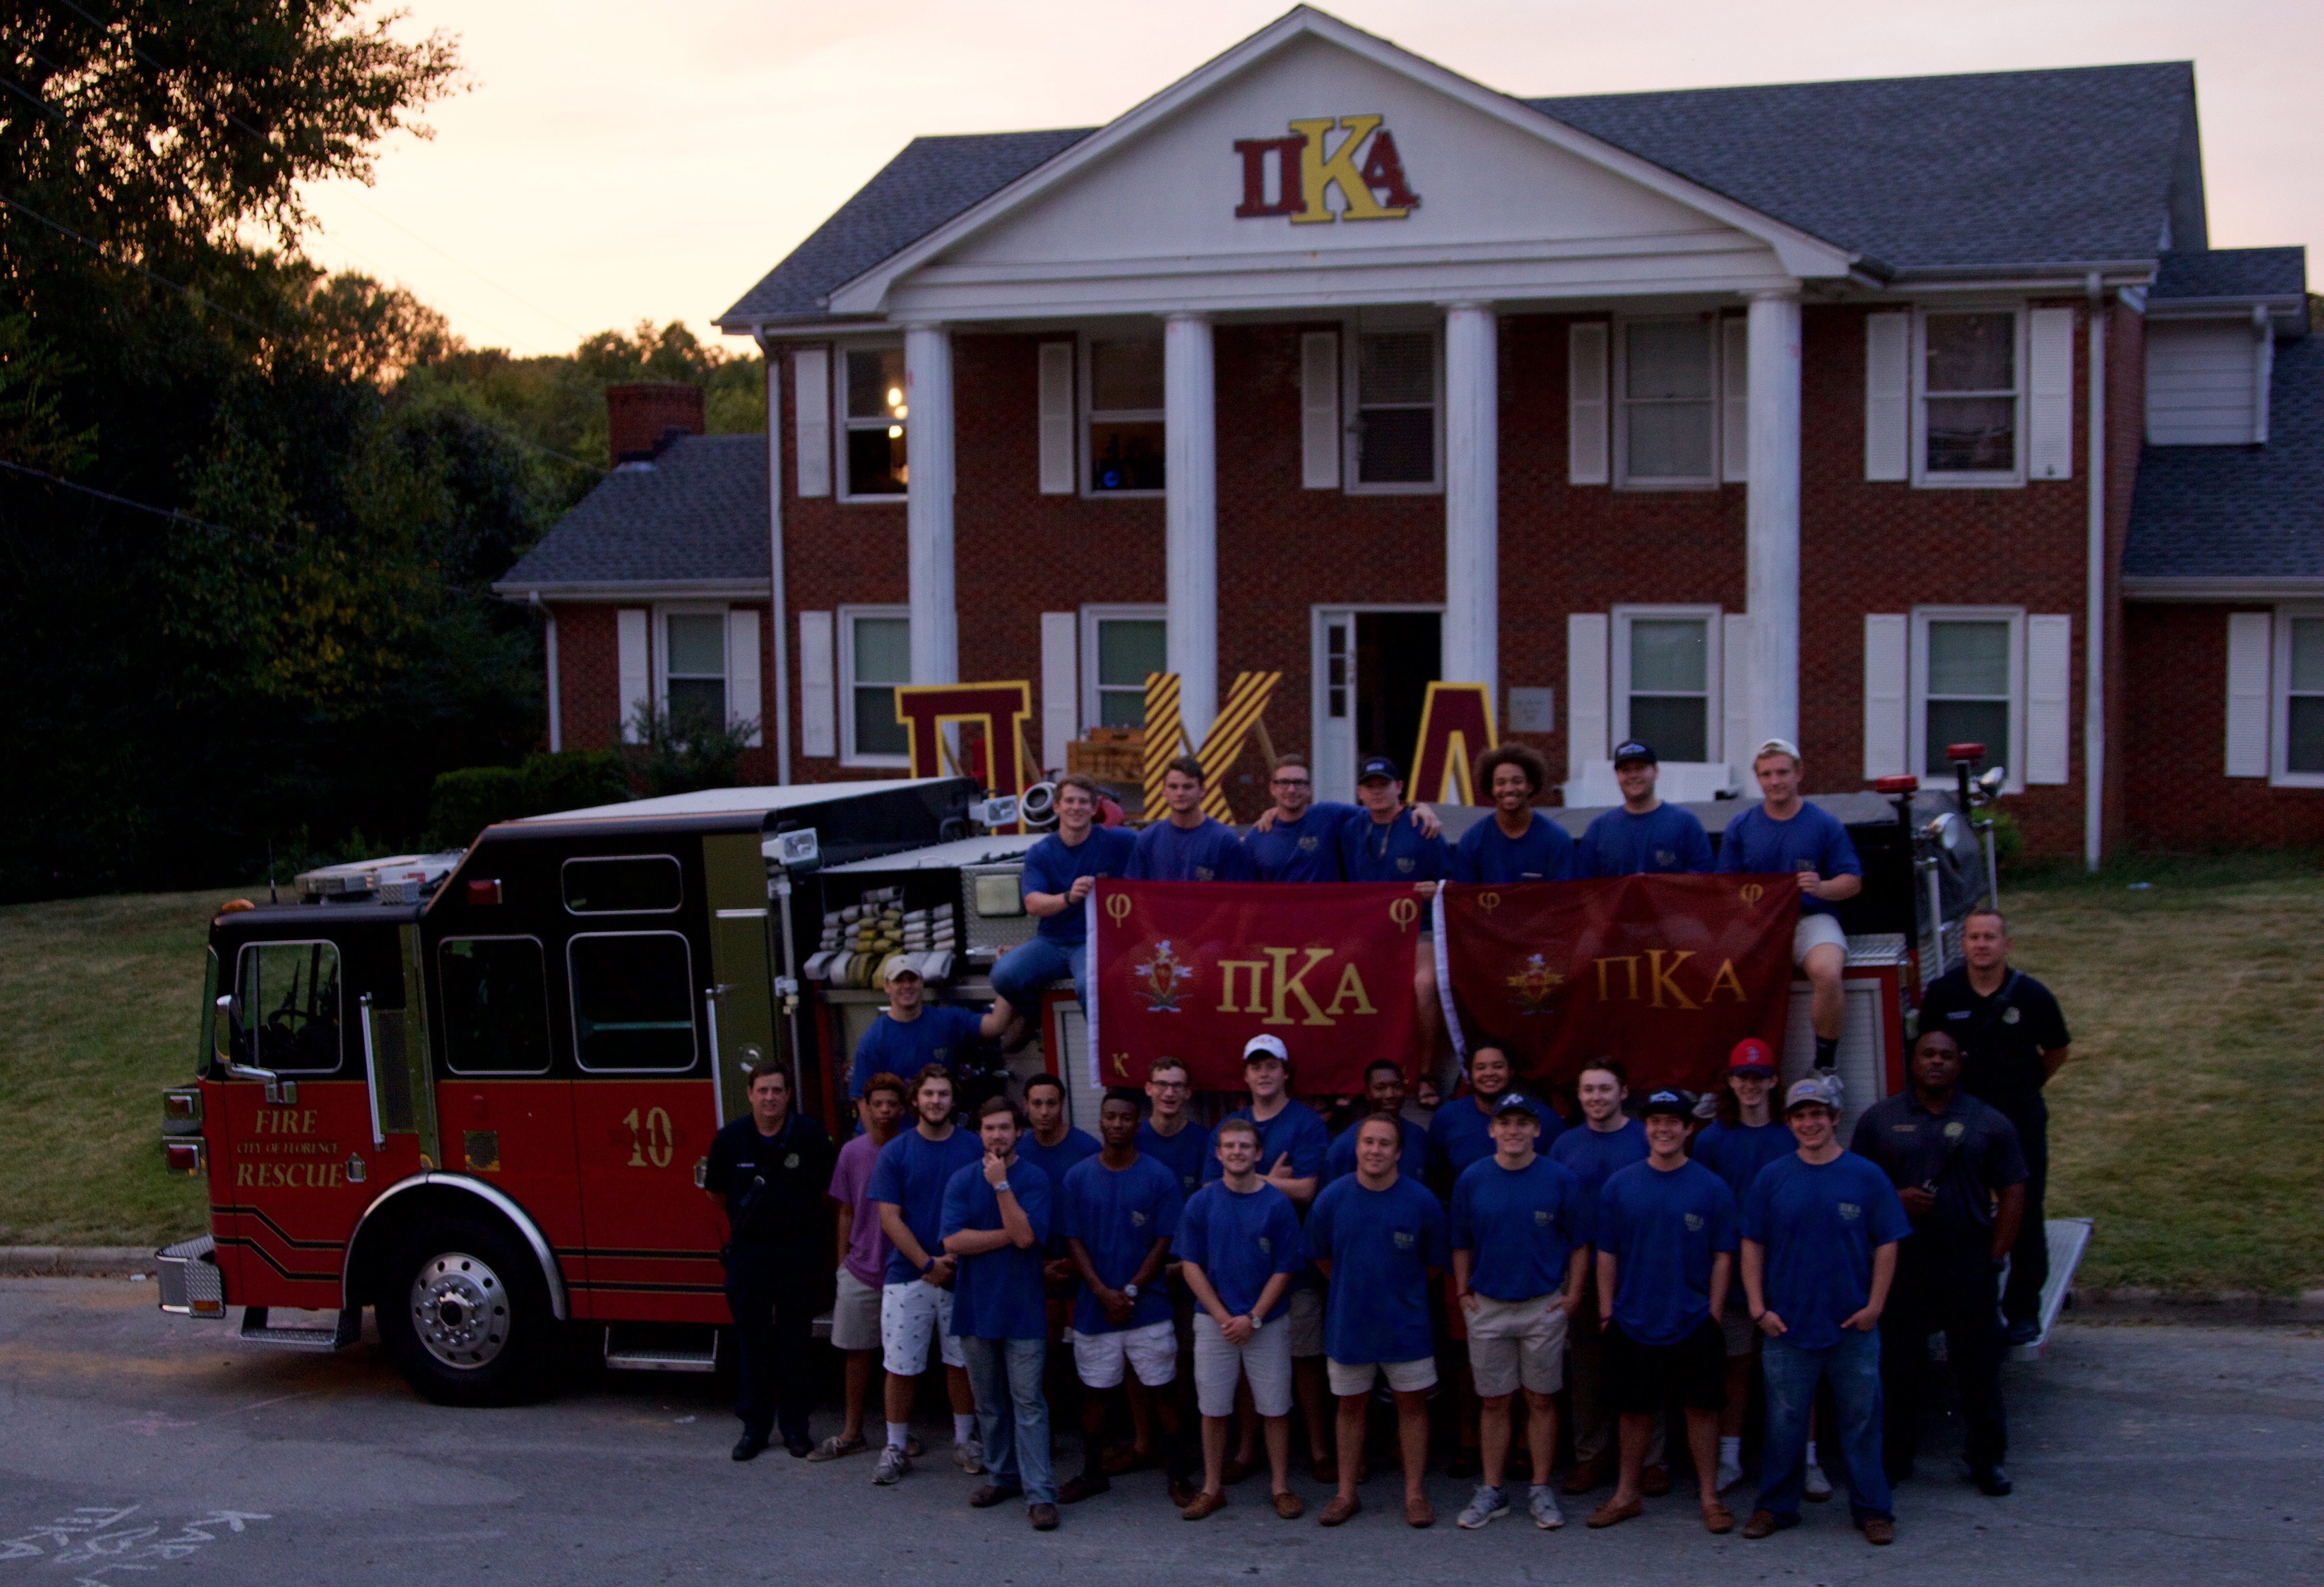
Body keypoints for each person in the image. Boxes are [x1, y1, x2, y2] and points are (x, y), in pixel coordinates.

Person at [1851, 1028, 2027, 1496]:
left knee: (1978, 1368)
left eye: (1946, 1055)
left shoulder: (1989, 1122)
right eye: (1927, 1054)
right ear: (1912, 1061)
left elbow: (2014, 1190)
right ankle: (1895, 1457)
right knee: (1899, 1366)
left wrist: (1995, 1256)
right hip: (1904, 1263)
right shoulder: (1879, 1121)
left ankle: (1987, 1459)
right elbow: (1854, 1189)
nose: (1936, 1062)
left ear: (1959, 1062)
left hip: (1968, 1260)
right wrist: (1895, 1199)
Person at [1740, 1076, 1911, 1546]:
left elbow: (1889, 1242)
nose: (1810, 1123)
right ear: (1790, 1122)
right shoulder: (1773, 1177)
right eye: (1800, 1115)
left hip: (1852, 1327)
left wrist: (1875, 1306)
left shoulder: (1867, 1176)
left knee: (1861, 1421)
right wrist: (1758, 1308)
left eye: (1818, 1114)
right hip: (1788, 1327)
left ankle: (1874, 1510)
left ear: (1836, 1118)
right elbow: (1751, 1243)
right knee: (1783, 1423)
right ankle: (1775, 1506)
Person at [1914, 906, 2072, 1345]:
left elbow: (2058, 1049)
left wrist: (2025, 1087)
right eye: (1973, 937)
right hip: (1958, 1120)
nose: (1981, 944)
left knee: (2022, 1210)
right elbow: (1929, 1050)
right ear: (1961, 944)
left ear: (2007, 945)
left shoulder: (2034, 996)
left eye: (1990, 937)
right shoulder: (1943, 994)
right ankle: (1952, 1308)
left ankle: (2022, 1310)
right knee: (1951, 1209)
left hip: (2018, 1120)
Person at [1589, 1089, 1741, 1534]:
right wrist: (1606, 1313)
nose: (1664, 1129)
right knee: (1633, 1411)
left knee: (1701, 1409)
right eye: (1655, 1121)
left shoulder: (1712, 1187)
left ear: (1688, 1128)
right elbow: (1607, 1253)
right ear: (1645, 1127)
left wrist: (1713, 1314)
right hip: (1632, 1319)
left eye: (1673, 1121)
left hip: (1693, 1319)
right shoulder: (1620, 1186)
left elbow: (1723, 1256)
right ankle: (1625, 1495)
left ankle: (1710, 1496)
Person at [1448, 1092, 1589, 1533]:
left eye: (1522, 1123)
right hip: (1488, 1305)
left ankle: (1540, 1486)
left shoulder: (1559, 1178)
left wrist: (1573, 1295)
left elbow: (1580, 1242)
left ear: (1536, 1129)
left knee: (1541, 1398)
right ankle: (1493, 1488)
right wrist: (1463, 1293)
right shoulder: (1473, 1178)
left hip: (1541, 1305)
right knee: (1494, 1401)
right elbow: (1460, 1241)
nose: (1513, 1130)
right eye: (1504, 1123)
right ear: (1491, 1130)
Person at [1306, 1113, 1451, 1529]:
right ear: (1357, 1147)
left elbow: (1434, 1264)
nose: (1375, 1150)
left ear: (1399, 1152)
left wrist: (1397, 1292)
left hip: (1407, 1327)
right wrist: (1355, 1286)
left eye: (1384, 1143)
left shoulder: (1422, 1201)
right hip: (1349, 1324)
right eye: (1368, 1142)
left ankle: (1415, 1494)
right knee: (1350, 1408)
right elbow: (1320, 1257)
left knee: (1412, 1407)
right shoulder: (1331, 1199)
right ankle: (1346, 1493)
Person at [1201, 1035, 1336, 1481]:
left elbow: (1307, 1188)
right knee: (1243, 1363)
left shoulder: (1307, 1123)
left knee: (1306, 1359)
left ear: (1285, 1071)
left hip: (1291, 1269)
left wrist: (1253, 1179)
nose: (1264, 1073)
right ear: (1245, 1074)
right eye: (1255, 1066)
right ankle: (1245, 1450)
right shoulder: (1231, 1125)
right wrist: (1271, 1178)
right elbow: (1207, 1190)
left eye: (1272, 1065)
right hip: (1236, 1272)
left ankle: (1318, 1449)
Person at [1058, 1091, 1189, 1506]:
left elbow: (1164, 1240)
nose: (1117, 1123)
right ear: (1100, 1121)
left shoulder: (1158, 1176)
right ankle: (1093, 1472)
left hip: (1146, 1307)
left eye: (1126, 1118)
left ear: (1139, 1123)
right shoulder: (1077, 1177)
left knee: (1164, 1391)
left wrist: (1130, 1289)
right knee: (1095, 1393)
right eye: (1110, 1116)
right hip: (1095, 1309)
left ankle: (1180, 1475)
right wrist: (1100, 1290)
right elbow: (1072, 1239)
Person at [1174, 1116, 1307, 1521]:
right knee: (1213, 1407)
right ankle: (1212, 1488)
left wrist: (1253, 1316)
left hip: (1266, 1321)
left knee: (1275, 1407)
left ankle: (1280, 1486)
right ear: (1218, 1153)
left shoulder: (1277, 1204)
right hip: (1214, 1322)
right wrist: (1222, 1315)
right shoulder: (1201, 1202)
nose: (1237, 1152)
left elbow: (1284, 1268)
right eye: (1229, 1146)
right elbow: (1189, 1263)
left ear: (1258, 1153)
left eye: (1245, 1146)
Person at [941, 1096, 1060, 1530]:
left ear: (1019, 1132)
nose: (997, 1135)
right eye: (990, 1128)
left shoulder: (1034, 1178)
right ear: (979, 1133)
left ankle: (1040, 1493)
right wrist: (1007, 1233)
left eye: (1005, 1128)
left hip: (1024, 1310)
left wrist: (1002, 1186)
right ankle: (1002, 1476)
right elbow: (953, 1241)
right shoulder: (960, 1181)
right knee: (989, 1404)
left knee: (1028, 1402)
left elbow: (1028, 1238)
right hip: (975, 1308)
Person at [1688, 1037, 1800, 1495]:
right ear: (1730, 1083)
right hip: (1731, 1278)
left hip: (1786, 1273)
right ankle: (1730, 1457)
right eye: (1741, 1078)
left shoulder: (1792, 1134)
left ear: (1773, 1080)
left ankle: (1804, 1459)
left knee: (1793, 1369)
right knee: (1735, 1367)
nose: (1750, 1086)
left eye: (1758, 1078)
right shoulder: (1714, 1139)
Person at [707, 1059, 835, 1461]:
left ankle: (796, 1428)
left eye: (777, 1090)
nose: (770, 1097)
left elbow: (828, 1189)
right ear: (749, 1094)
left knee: (796, 1341)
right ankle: (755, 1428)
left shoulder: (810, 1135)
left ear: (788, 1094)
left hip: (798, 1251)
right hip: (750, 1253)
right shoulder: (729, 1140)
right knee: (753, 1342)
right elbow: (717, 1193)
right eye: (762, 1090)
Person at [867, 1066, 986, 1485]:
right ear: (915, 1101)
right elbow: (889, 1217)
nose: (936, 1101)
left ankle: (965, 1440)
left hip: (960, 1272)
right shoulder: (896, 1152)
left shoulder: (974, 1147)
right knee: (900, 1364)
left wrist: (950, 1258)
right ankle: (895, 1446)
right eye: (929, 1094)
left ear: (954, 1100)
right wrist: (926, 1263)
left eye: (944, 1094)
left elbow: (982, 1206)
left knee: (962, 1361)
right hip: (908, 1275)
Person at [1715, 739, 1863, 1073]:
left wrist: (1822, 888)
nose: (1775, 781)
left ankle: (1825, 1066)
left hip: (1810, 918)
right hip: (1758, 923)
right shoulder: (1741, 826)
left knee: (1827, 972)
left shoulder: (1825, 824)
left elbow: (1853, 881)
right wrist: (1746, 903)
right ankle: (1725, 1072)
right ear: (1758, 779)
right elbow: (1723, 886)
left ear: (1799, 774)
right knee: (1717, 975)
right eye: (1766, 775)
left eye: (1782, 772)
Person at [1550, 1058, 1654, 1496]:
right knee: (1588, 1371)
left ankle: (1652, 1461)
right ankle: (1590, 1456)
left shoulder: (1646, 1138)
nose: (1596, 1098)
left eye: (1605, 1089)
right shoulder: (1564, 1145)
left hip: (1641, 1271)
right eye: (1588, 1090)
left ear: (1624, 1092)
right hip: (1585, 1273)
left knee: (1648, 1366)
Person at [989, 773, 1137, 1043]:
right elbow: (1033, 903)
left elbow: (1156, 848)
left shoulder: (1120, 842)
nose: (1076, 808)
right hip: (1052, 942)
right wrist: (1068, 897)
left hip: (1095, 942)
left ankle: (1106, 1052)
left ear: (1094, 809)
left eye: (1083, 802)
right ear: (1056, 807)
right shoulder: (1040, 852)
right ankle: (1039, 1021)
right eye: (1069, 801)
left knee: (1088, 987)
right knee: (1003, 975)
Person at [811, 1071, 907, 1463]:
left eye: (891, 1104)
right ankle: (853, 1431)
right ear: (863, 1107)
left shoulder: (910, 1148)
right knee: (857, 1353)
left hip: (903, 1270)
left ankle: (897, 1436)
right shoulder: (851, 1152)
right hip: (860, 1269)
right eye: (877, 1104)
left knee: (901, 1359)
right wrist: (841, 1268)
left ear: (903, 1108)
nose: (884, 1111)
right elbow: (845, 1212)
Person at [1245, 752, 1443, 883]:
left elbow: (1380, 811)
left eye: (1299, 783)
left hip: (1331, 929)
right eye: (1284, 783)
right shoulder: (1258, 836)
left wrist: (1418, 806)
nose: (1291, 789)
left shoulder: (1328, 816)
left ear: (1310, 789)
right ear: (1272, 788)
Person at [849, 957, 1006, 1100]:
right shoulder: (874, 1038)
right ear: (887, 986)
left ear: (922, 982)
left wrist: (1006, 970)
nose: (907, 986)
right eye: (899, 981)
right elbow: (862, 1098)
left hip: (939, 1125)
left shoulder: (947, 1020)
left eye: (912, 979)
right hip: (898, 1130)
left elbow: (995, 1025)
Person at [1576, 741, 1714, 877]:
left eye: (1640, 768)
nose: (1633, 776)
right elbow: (1585, 888)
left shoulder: (1685, 824)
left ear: (1656, 772)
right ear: (1617, 777)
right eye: (1626, 770)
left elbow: (1703, 882)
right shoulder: (1599, 829)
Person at [1451, 743, 1575, 884]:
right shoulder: (1472, 841)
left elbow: (1563, 898)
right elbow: (1464, 898)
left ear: (1530, 786)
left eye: (1517, 781)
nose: (1509, 789)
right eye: (1501, 782)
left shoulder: (1556, 839)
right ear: (1491, 788)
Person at [1430, 1045, 1546, 1187]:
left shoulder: (1542, 1117)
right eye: (1481, 1067)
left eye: (1497, 1066)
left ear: (1511, 1072)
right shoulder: (1447, 1117)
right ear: (1470, 1074)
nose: (1489, 1073)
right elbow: (1436, 1175)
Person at [1126, 756, 1253, 882]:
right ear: (1163, 790)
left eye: (1187, 787)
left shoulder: (1224, 840)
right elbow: (1135, 894)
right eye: (1173, 787)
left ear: (1203, 790)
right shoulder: (1148, 840)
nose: (1180, 793)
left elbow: (1237, 897)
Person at [1327, 1059, 1429, 1184]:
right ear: (1367, 1094)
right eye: (1380, 1088)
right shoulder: (1345, 1144)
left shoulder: (1419, 1136)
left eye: (1397, 1087)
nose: (1390, 1094)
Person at [1136, 1056, 1211, 1199]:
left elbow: (1208, 1197)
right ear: (1148, 1089)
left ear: (1187, 1093)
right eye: (1162, 1084)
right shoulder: (1133, 1139)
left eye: (1177, 1086)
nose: (1170, 1093)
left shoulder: (1204, 1141)